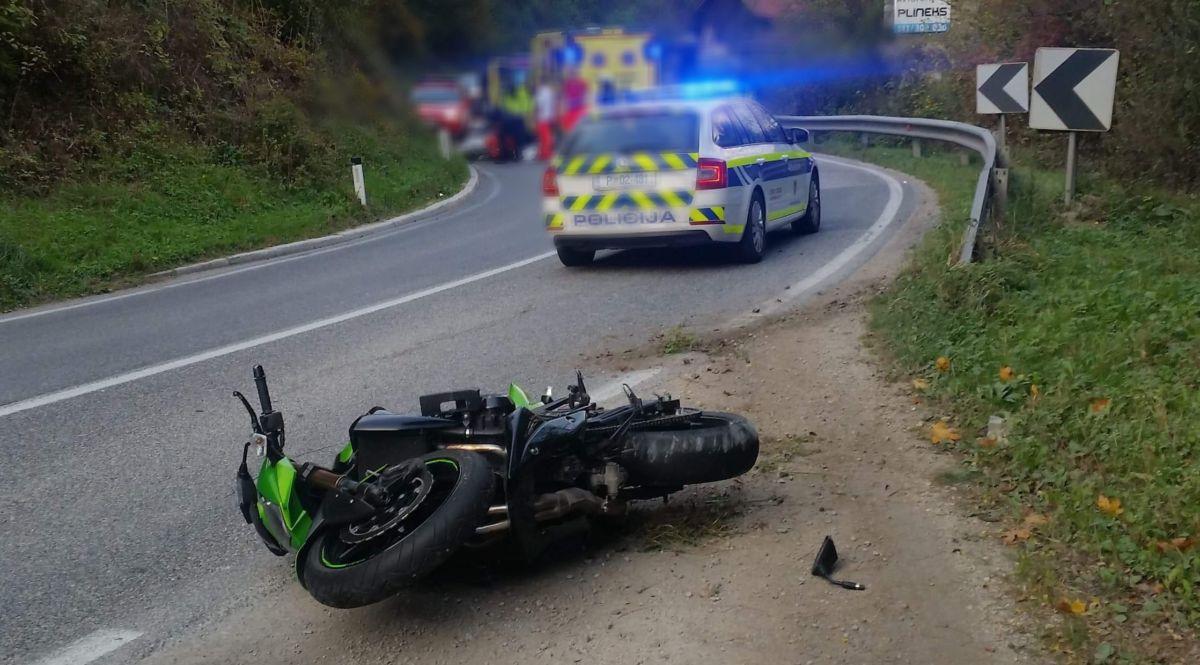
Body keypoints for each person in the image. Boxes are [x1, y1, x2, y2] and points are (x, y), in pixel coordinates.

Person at [560, 68, 589, 134]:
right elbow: (564, 96)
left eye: (573, 73)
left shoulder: (581, 82)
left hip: (578, 109)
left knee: (575, 128)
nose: (572, 76)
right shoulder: (568, 83)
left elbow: (586, 95)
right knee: (571, 128)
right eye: (571, 74)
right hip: (573, 109)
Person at [535, 79, 557, 161]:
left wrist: (535, 117)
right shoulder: (550, 92)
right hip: (550, 118)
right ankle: (546, 153)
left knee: (543, 138)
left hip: (542, 118)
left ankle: (544, 154)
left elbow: (539, 106)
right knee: (548, 137)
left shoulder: (540, 93)